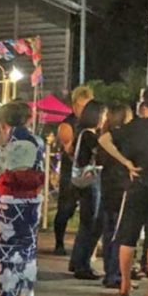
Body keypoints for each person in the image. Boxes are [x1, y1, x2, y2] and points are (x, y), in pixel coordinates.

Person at [98, 81, 148, 296]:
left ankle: (124, 285)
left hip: (136, 184)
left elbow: (104, 139)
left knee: (127, 236)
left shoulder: (134, 126)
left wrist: (126, 162)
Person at [0, 101, 45, 296]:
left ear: (3, 122)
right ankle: (27, 294)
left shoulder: (3, 143)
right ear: (28, 119)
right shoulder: (38, 141)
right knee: (28, 246)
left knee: (5, 248)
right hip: (32, 200)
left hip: (7, 200)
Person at [68, 100, 106, 280]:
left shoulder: (81, 134)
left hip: (82, 182)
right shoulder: (90, 136)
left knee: (86, 223)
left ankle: (77, 261)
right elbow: (101, 156)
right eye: (103, 115)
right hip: (90, 182)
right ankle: (82, 265)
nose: (104, 119)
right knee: (91, 224)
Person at [54, 86, 94, 255]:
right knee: (65, 209)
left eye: (87, 106)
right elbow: (70, 150)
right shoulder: (67, 124)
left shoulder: (94, 123)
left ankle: (85, 247)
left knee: (90, 211)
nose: (83, 110)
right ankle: (59, 242)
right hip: (70, 172)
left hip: (89, 172)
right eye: (81, 106)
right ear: (74, 105)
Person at [98, 103, 133, 289]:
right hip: (121, 185)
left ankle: (110, 271)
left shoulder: (107, 135)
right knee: (121, 231)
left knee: (109, 229)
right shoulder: (125, 137)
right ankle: (115, 273)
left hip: (108, 185)